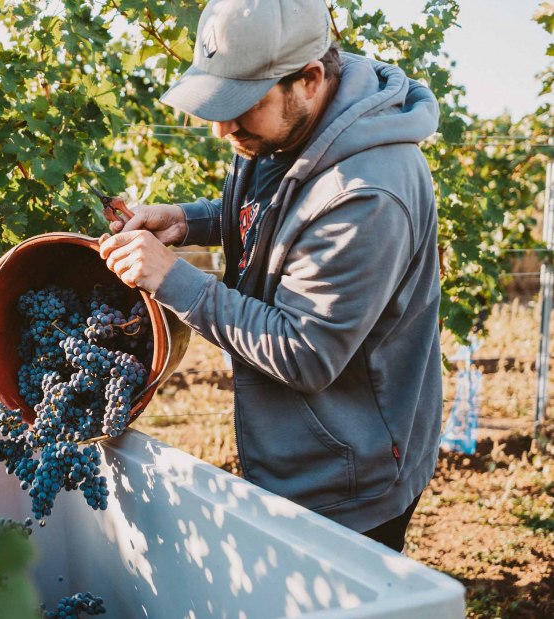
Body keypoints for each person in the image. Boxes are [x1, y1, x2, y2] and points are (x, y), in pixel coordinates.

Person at [98, 0, 441, 552]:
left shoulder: (367, 194)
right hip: (298, 446)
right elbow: (281, 213)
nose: (222, 128)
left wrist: (171, 279)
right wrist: (189, 220)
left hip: (348, 476)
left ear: (309, 80)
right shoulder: (290, 123)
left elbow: (305, 352)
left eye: (241, 106)